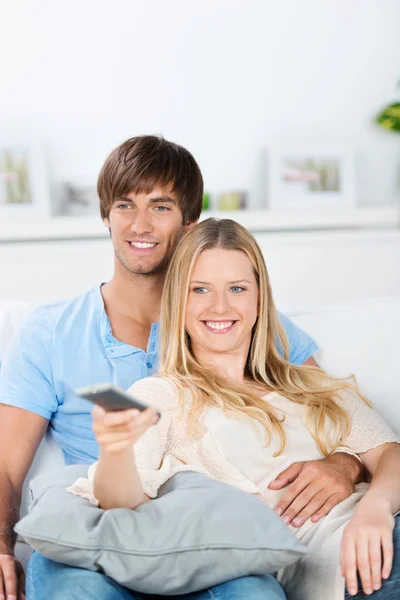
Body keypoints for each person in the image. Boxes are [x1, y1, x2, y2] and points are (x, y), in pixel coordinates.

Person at [0, 136, 363, 600]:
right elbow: (7, 468)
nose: (140, 224)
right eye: (125, 205)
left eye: (161, 206)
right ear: (106, 216)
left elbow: (336, 414)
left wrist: (343, 464)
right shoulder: (50, 332)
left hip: (210, 532)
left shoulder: (235, 317)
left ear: (190, 223)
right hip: (93, 531)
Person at [71, 218, 400, 600]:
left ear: (260, 300)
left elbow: (389, 453)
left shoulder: (312, 386)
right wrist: (115, 450)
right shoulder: (161, 395)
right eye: (200, 290)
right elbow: (120, 501)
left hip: (383, 523)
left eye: (237, 288)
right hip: (350, 566)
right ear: (178, 301)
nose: (220, 306)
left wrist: (375, 506)